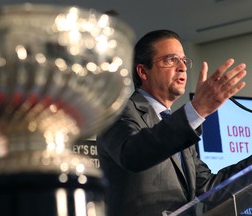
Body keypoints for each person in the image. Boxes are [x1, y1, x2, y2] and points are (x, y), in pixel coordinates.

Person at [96, 29, 252, 216]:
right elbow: (133, 154)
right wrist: (196, 110)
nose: (182, 67)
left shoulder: (180, 128)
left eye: (184, 61)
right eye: (171, 60)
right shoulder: (117, 111)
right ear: (143, 71)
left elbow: (210, 191)